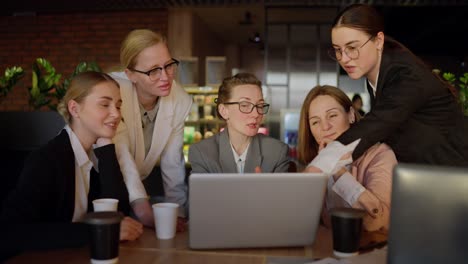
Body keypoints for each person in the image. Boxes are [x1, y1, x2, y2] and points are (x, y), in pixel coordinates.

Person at [307, 3, 468, 176]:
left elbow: (378, 122)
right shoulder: (377, 77)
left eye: (352, 48)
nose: (344, 59)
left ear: (378, 41)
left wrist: (322, 163)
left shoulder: (405, 75)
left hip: (454, 179)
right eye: (338, 50)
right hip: (427, 179)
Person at [0, 71, 143, 259]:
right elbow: (10, 233)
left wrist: (107, 151)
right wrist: (95, 231)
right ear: (75, 109)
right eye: (104, 104)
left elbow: (117, 214)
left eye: (118, 105)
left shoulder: (92, 155)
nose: (116, 114)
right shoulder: (47, 160)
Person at [110, 29, 192, 228]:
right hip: (103, 185)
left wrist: (177, 212)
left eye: (168, 65)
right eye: (153, 70)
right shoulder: (113, 92)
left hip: (138, 186)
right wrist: (144, 211)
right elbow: (122, 155)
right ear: (130, 74)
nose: (165, 77)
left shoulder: (180, 99)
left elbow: (173, 162)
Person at [298, 85, 397, 231]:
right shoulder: (315, 165)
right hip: (328, 250)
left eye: (332, 115)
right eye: (315, 122)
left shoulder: (381, 155)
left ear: (350, 115)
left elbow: (378, 222)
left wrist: (337, 169)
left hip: (371, 249)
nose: (325, 127)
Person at [188, 73, 290, 174]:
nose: (256, 114)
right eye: (245, 105)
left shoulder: (277, 152)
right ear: (224, 111)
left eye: (260, 105)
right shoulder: (201, 152)